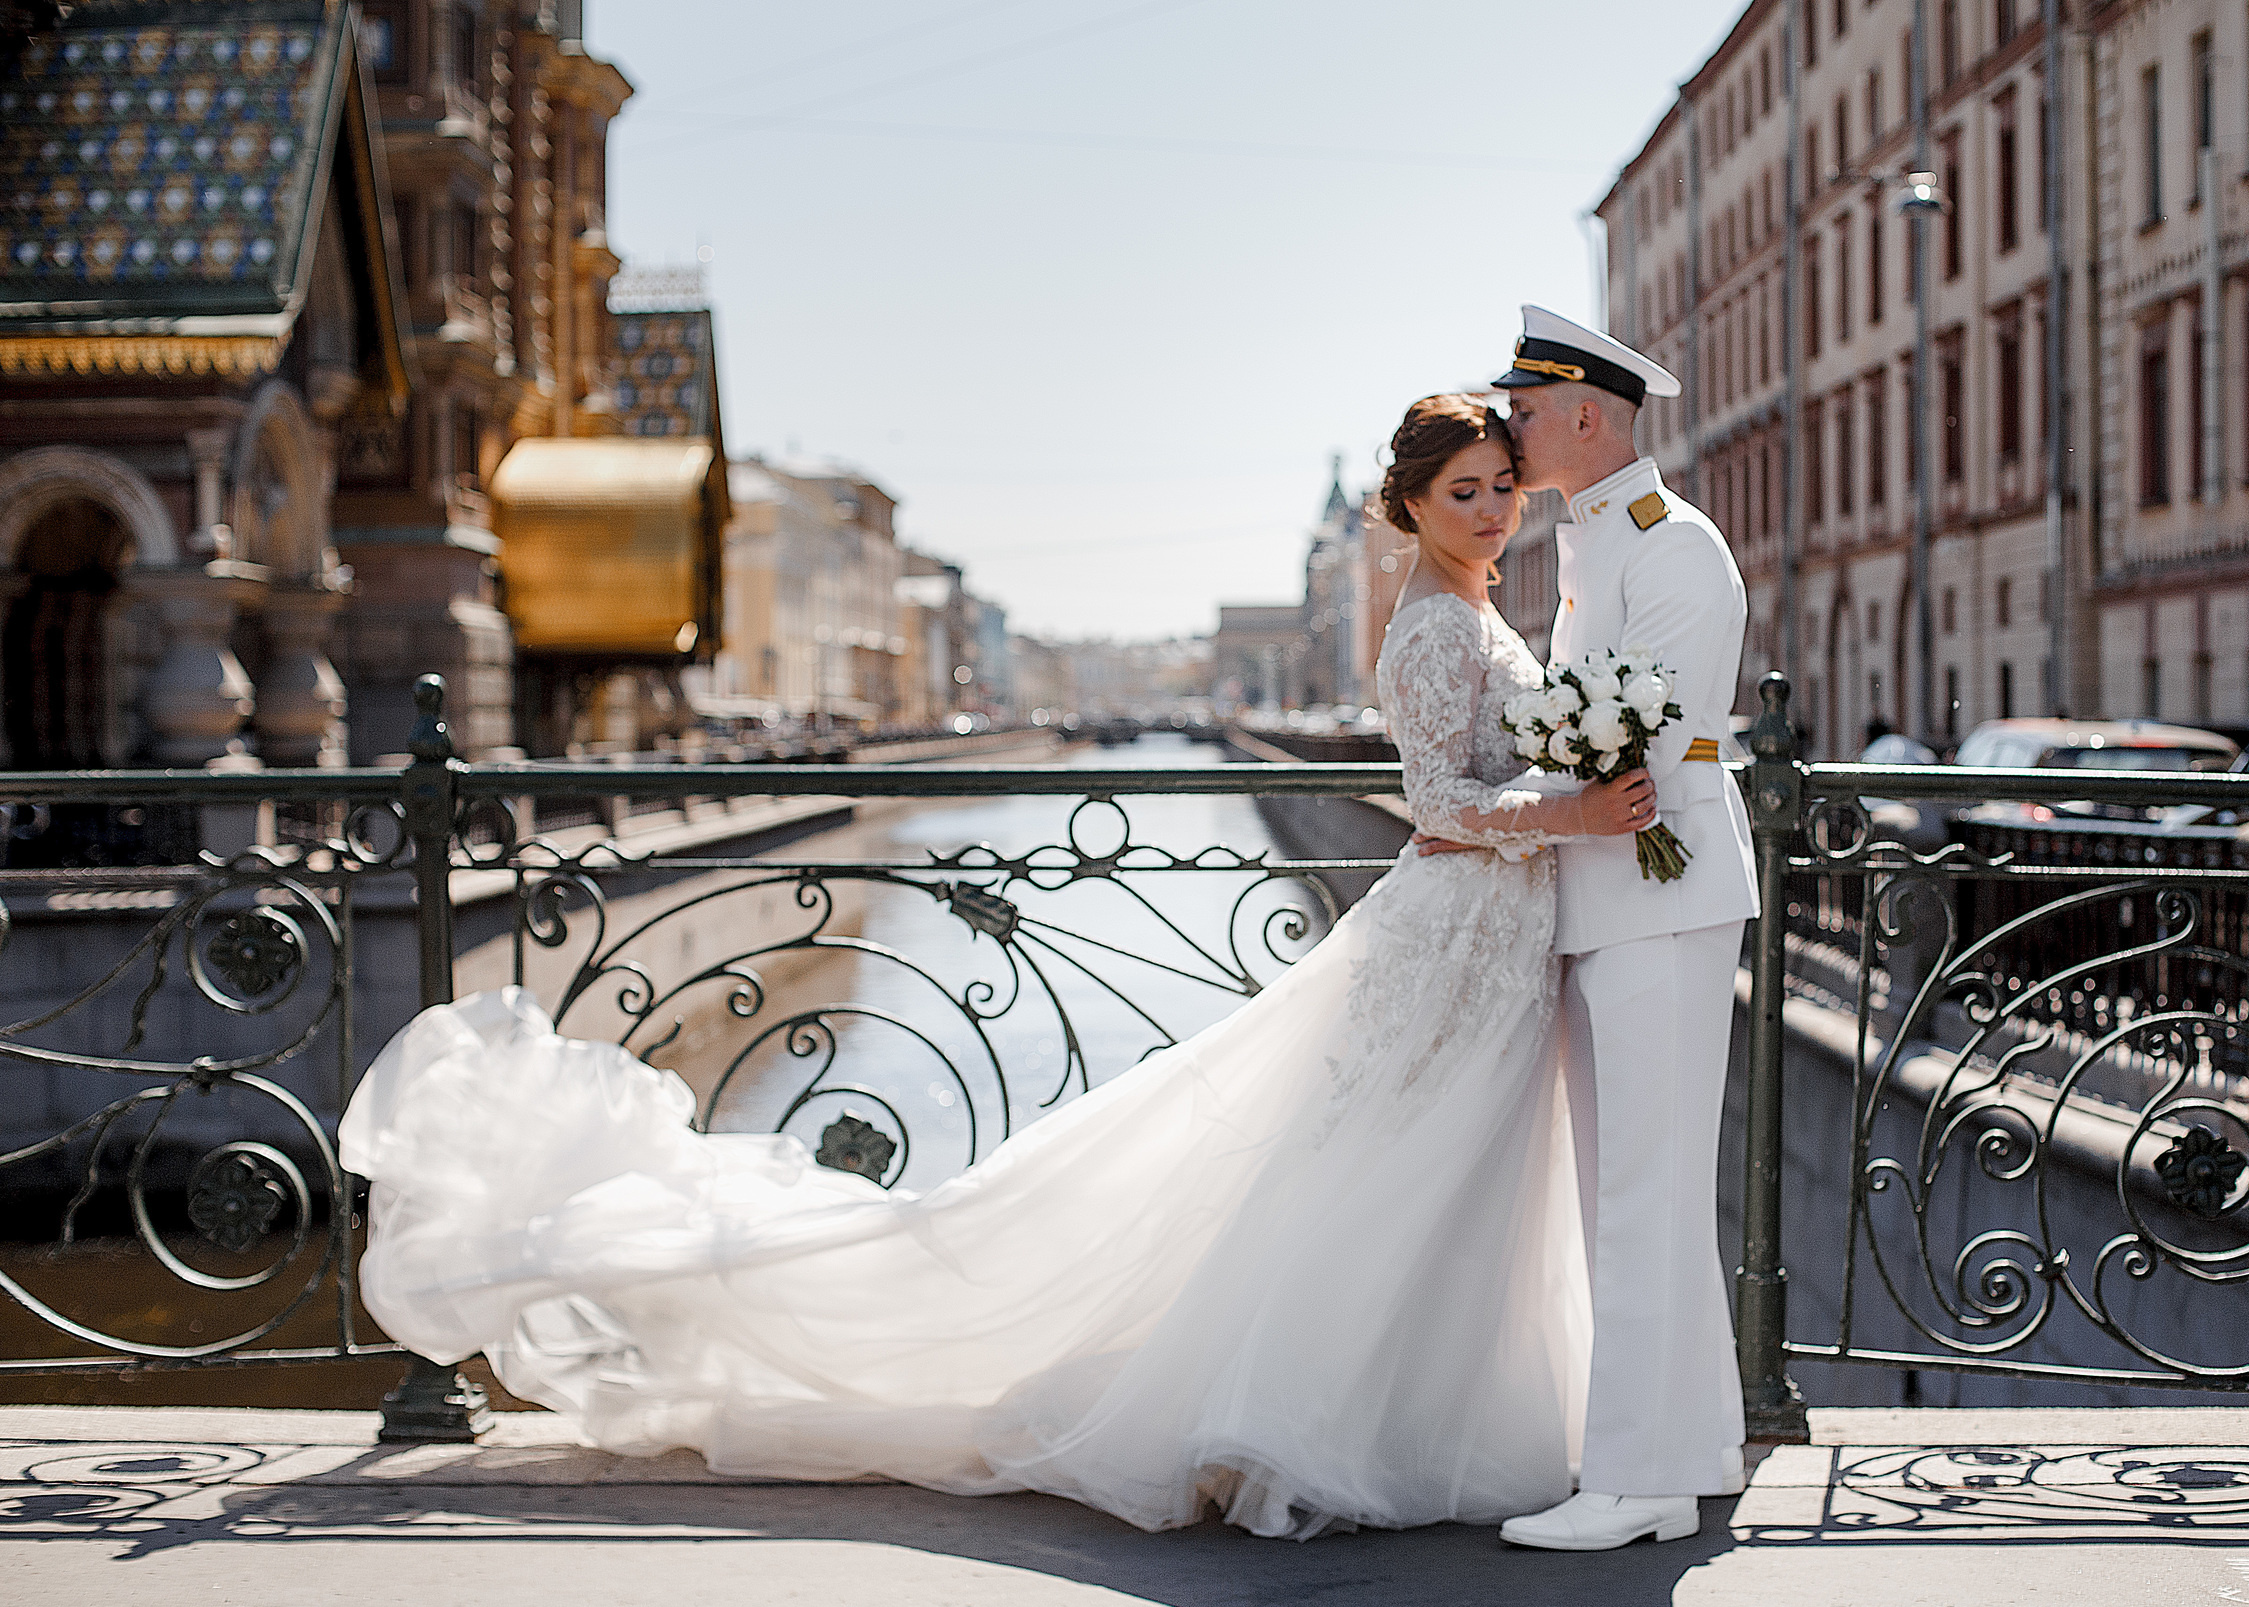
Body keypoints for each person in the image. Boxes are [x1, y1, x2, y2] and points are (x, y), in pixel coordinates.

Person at [344, 394, 1658, 1541]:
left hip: (1483, 934)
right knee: (1391, 1168)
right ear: (1410, 506)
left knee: (1420, 1172)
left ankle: (1414, 1418)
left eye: (1501, 486)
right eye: (1462, 492)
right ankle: (1355, 1426)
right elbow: (1435, 801)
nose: (1491, 510)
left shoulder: (1470, 607)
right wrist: (1578, 810)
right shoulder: (1434, 626)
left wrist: (1568, 786)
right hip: (1454, 932)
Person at [1420, 306, 1759, 1553]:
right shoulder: (1603, 540)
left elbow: (1646, 749)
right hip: (1618, 897)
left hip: (1657, 895)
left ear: (1582, 414)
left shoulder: (1671, 546)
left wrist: (1508, 806)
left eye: (1522, 409)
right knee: (1636, 1185)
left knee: (1640, 1196)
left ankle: (1636, 1481)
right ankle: (1694, 1447)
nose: (1508, 427)